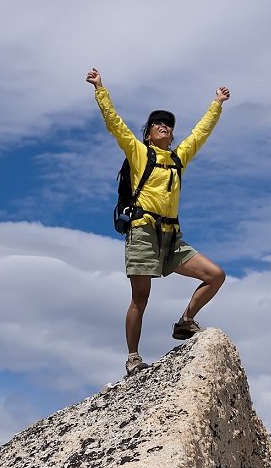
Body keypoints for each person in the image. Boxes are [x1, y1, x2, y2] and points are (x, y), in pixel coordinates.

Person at [86, 68, 230, 375]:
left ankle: (185, 321)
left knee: (215, 275)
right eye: (157, 124)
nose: (164, 127)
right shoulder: (140, 154)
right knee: (140, 297)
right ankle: (133, 357)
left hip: (171, 237)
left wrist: (216, 104)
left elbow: (200, 133)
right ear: (149, 134)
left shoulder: (178, 158)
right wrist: (101, 89)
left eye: (168, 125)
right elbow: (115, 125)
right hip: (143, 232)